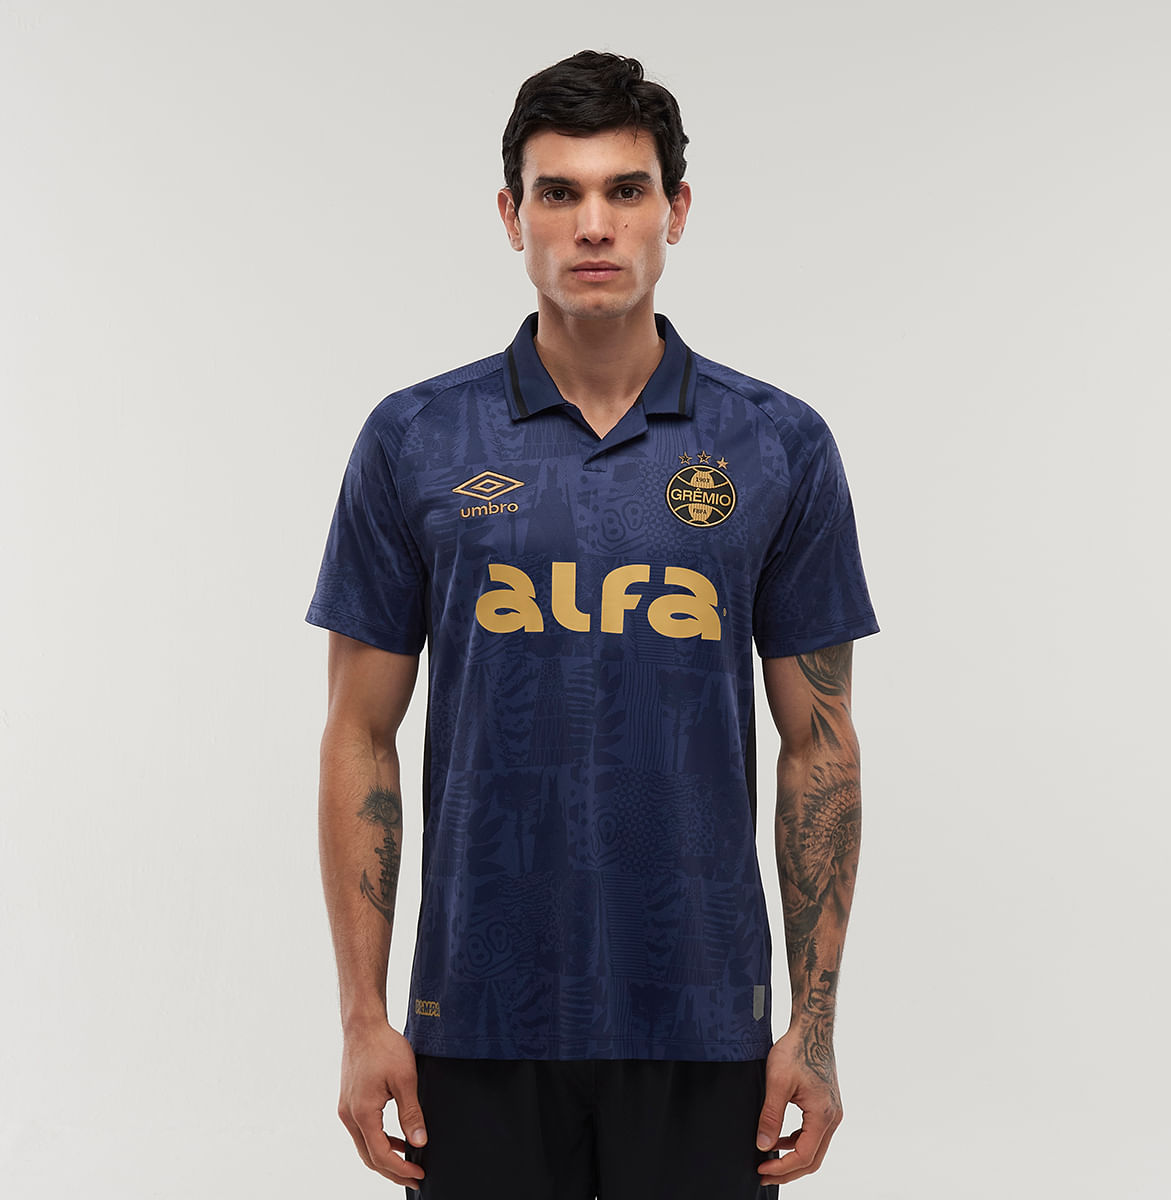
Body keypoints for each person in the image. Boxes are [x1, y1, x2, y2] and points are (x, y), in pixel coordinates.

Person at [307, 50, 878, 1199]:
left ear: (676, 209)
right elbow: (359, 736)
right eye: (559, 192)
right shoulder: (416, 438)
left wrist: (812, 1030)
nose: (595, 223)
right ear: (511, 215)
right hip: (473, 1022)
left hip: (706, 1025)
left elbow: (818, 748)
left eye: (626, 189)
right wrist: (364, 1020)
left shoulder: (777, 444)